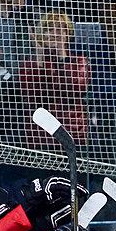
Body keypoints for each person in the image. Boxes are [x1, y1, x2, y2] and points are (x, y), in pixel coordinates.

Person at [19, 12, 90, 151]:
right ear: (41, 35)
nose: (55, 34)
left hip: (73, 134)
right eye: (49, 29)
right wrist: (40, 58)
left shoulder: (79, 61)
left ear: (67, 34)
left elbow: (77, 87)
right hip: (40, 137)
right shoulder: (29, 64)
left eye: (60, 29)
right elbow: (32, 95)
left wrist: (61, 56)